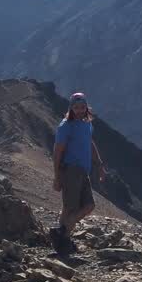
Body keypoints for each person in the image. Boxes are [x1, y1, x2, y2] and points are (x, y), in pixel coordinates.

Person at [50, 92, 106, 254]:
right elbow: (57, 150)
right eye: (76, 107)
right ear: (71, 108)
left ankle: (61, 233)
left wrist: (100, 165)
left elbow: (89, 143)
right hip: (71, 170)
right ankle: (62, 241)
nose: (80, 110)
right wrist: (57, 176)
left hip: (83, 170)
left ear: (86, 107)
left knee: (88, 206)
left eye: (82, 107)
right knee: (70, 208)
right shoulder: (65, 126)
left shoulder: (87, 123)